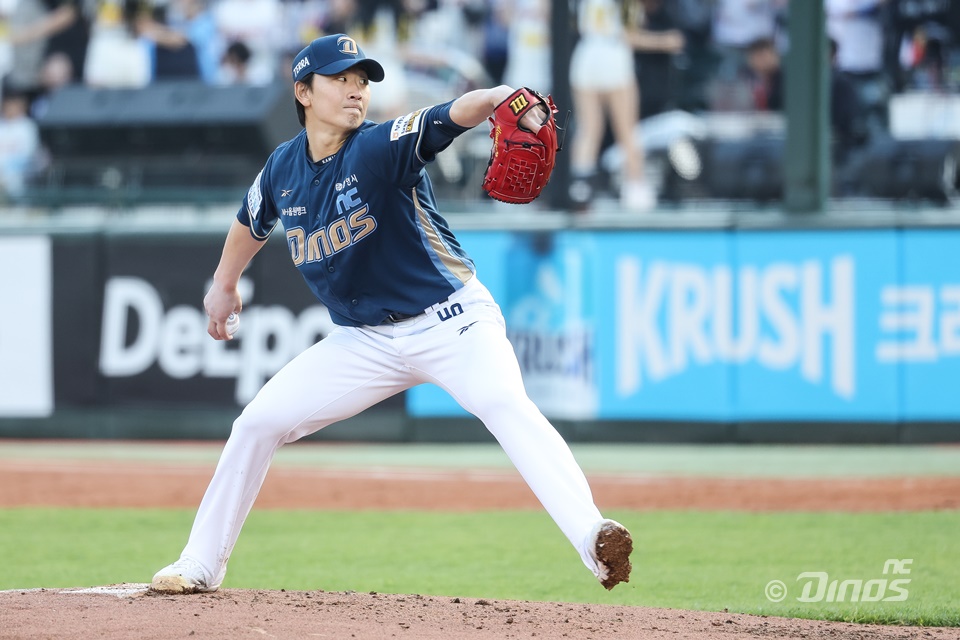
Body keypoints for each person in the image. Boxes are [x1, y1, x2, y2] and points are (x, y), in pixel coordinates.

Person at [149, 33, 633, 595]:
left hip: (453, 321)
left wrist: (504, 95)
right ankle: (200, 563)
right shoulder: (283, 167)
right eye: (341, 79)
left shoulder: (380, 147)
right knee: (256, 423)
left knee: (503, 403)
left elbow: (454, 113)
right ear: (303, 92)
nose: (356, 91)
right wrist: (223, 285)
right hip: (364, 342)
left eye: (362, 81)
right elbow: (251, 219)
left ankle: (594, 537)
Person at [568, 0, 657, 212]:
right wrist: (666, 41)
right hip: (614, 57)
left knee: (588, 130)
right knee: (627, 131)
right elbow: (630, 36)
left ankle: (580, 186)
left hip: (586, 57)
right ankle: (635, 190)